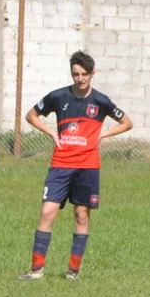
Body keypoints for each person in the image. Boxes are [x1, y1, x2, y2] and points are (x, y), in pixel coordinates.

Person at [19, 51, 132, 281]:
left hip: (88, 166)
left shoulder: (100, 101)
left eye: (84, 74)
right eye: (75, 74)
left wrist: (103, 135)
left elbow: (127, 122)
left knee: (81, 215)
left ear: (92, 74)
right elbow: (31, 115)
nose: (80, 78)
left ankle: (73, 272)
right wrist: (51, 131)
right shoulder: (58, 96)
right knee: (47, 211)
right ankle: (36, 270)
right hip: (60, 164)